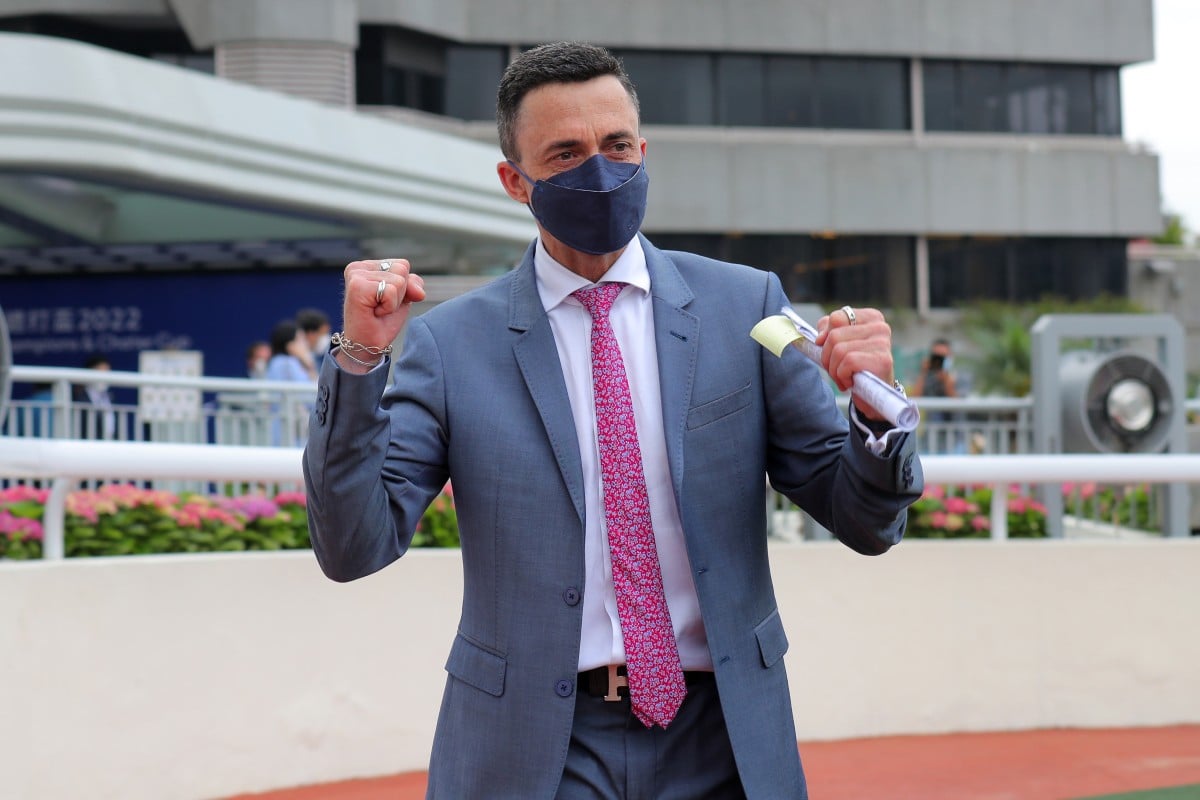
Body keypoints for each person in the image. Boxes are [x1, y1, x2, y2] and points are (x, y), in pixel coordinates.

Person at [303, 42, 923, 800]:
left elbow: (863, 519)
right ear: (514, 182)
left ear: (643, 150)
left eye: (618, 145)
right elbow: (353, 544)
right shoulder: (451, 342)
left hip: (722, 735)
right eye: (565, 154)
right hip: (535, 746)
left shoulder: (744, 308)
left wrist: (874, 411)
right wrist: (360, 359)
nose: (600, 169)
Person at [72, 352, 117, 439]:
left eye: (107, 372)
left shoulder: (110, 398)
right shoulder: (80, 399)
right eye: (101, 372)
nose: (105, 377)